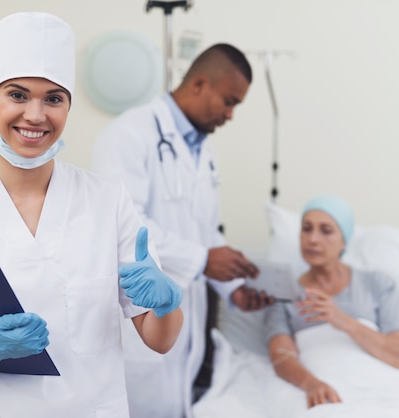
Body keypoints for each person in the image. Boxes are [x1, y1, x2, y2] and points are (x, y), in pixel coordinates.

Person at [0, 12, 184, 417]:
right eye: (18, 95)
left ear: (67, 106)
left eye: (54, 99)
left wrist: (166, 305)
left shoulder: (108, 202)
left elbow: (158, 340)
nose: (36, 115)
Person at [91, 43, 273, 418]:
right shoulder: (129, 134)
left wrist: (234, 287)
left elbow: (206, 231)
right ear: (200, 84)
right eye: (229, 101)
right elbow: (123, 225)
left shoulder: (204, 151)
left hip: (185, 328)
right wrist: (204, 260)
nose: (231, 114)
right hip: (139, 318)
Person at [264, 195, 399, 409]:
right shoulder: (283, 292)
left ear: (344, 239)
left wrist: (341, 320)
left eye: (326, 230)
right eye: (306, 228)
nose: (313, 239)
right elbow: (282, 358)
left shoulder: (376, 283)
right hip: (325, 389)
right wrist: (312, 384)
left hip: (383, 386)